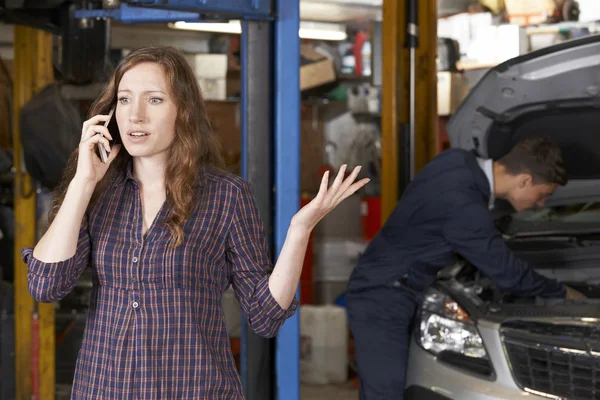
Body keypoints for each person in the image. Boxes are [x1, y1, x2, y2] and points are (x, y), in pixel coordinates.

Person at [22, 45, 369, 399]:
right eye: (124, 100)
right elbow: (46, 285)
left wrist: (300, 230)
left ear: (182, 111)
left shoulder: (226, 196)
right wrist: (83, 183)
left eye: (154, 100)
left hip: (194, 388)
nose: (135, 116)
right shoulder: (99, 191)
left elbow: (265, 317)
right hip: (105, 388)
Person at [345, 137, 586, 400]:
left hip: (387, 285)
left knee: (380, 388)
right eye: (543, 196)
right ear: (525, 180)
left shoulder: (455, 161)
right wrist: (561, 293)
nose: (541, 205)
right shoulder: (464, 204)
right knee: (386, 393)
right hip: (384, 296)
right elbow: (508, 275)